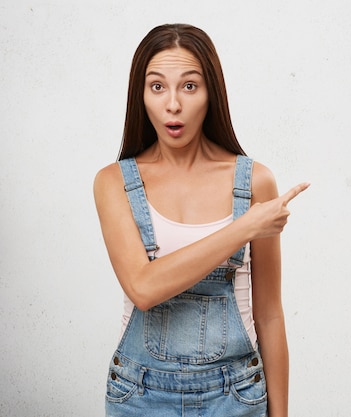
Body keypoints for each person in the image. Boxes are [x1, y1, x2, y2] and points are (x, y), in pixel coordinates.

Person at [93, 23, 308, 417]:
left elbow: (270, 315)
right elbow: (143, 287)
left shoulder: (255, 182)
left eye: (189, 86)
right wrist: (244, 228)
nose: (172, 104)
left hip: (236, 396)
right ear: (140, 96)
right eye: (157, 87)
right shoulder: (114, 183)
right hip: (140, 398)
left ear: (211, 93)